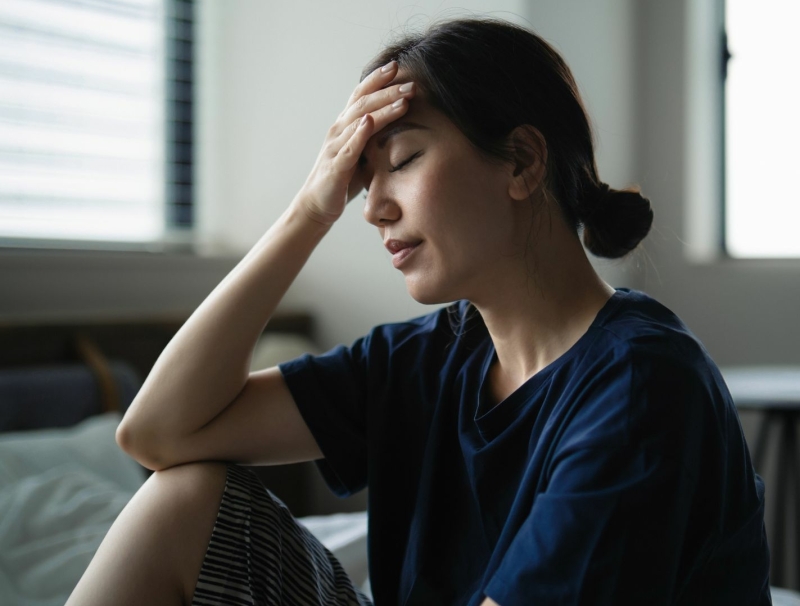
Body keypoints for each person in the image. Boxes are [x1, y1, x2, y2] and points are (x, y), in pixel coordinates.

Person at [67, 17, 772, 606]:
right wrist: (308, 212)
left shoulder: (641, 386)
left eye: (401, 160)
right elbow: (158, 435)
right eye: (359, 181)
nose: (371, 208)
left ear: (523, 162)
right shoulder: (427, 358)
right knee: (185, 497)